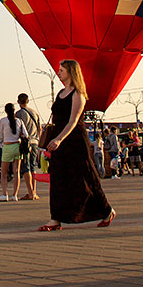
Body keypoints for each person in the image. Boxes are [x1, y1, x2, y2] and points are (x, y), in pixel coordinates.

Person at [38, 60, 113, 231]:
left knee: (86, 176)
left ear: (71, 72)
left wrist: (59, 139)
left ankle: (106, 210)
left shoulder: (78, 95)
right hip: (59, 141)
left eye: (62, 70)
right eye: (59, 70)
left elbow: (73, 121)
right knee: (58, 178)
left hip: (75, 142)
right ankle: (55, 218)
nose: (59, 73)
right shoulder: (60, 94)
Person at [0, 103, 29, 202]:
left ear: (6, 111)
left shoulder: (3, 121)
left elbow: (0, 137)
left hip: (7, 147)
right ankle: (15, 195)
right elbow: (25, 135)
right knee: (16, 172)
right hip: (17, 147)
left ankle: (5, 194)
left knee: (4, 173)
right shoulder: (19, 121)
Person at [16, 93, 41, 200]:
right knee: (33, 166)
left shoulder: (19, 114)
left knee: (26, 167)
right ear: (28, 101)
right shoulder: (35, 113)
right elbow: (40, 128)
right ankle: (34, 191)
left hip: (26, 142)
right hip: (35, 142)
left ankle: (30, 192)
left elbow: (17, 129)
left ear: (18, 102)